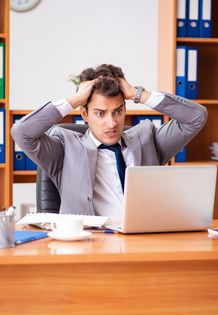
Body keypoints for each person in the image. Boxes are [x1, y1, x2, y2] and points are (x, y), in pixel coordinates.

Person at [11, 64, 207, 220]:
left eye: (118, 111)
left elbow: (196, 117)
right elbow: (21, 132)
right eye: (100, 113)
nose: (112, 123)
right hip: (89, 247)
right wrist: (76, 99)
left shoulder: (148, 139)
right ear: (85, 114)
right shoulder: (64, 149)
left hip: (143, 243)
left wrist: (136, 94)